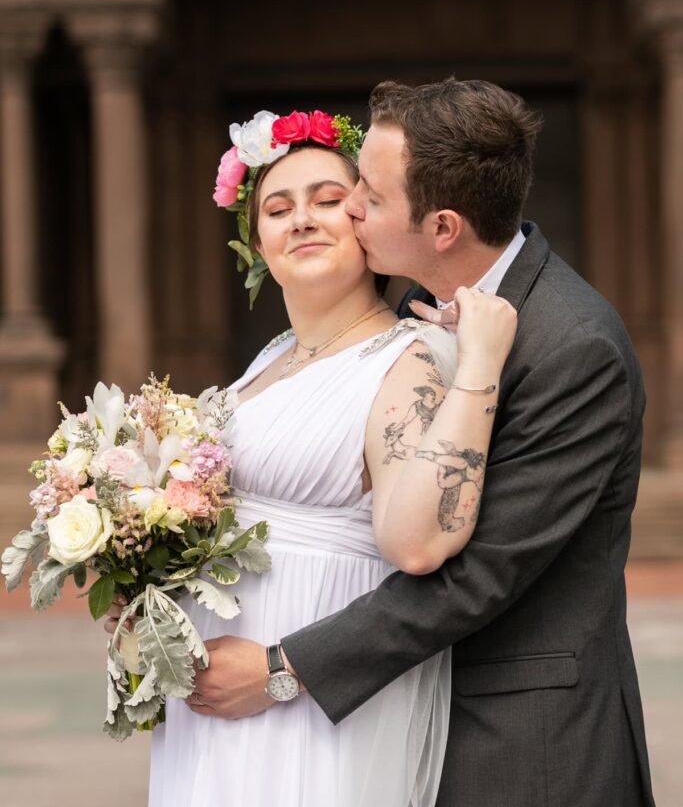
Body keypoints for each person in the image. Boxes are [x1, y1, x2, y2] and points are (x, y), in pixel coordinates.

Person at [195, 81, 656, 807]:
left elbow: (478, 576)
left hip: (521, 740)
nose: (348, 210)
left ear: (441, 228)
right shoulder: (413, 314)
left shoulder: (573, 347)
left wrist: (285, 668)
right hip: (393, 706)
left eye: (367, 199)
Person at [109, 108, 517, 807]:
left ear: (366, 223)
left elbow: (417, 545)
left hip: (310, 700)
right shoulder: (265, 364)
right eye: (276, 207)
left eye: (329, 201)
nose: (301, 219)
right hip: (212, 703)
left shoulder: (410, 361)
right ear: (255, 243)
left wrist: (477, 365)